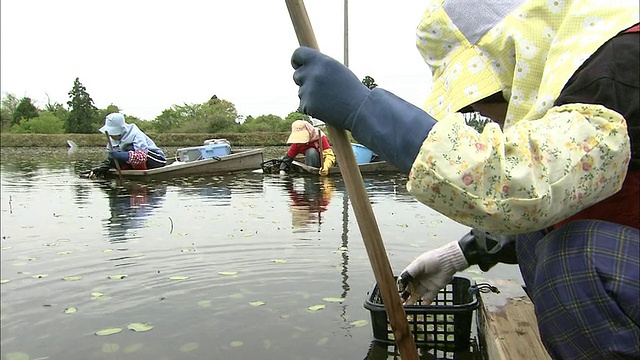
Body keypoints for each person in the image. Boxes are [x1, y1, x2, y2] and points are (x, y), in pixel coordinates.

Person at [289, 1, 639, 358]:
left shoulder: (618, 63)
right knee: (538, 238)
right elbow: (560, 200)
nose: (476, 114)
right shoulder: (589, 71)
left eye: (472, 103)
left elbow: (525, 183)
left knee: (573, 263)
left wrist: (364, 111)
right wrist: (460, 254)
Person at [83, 113, 167, 178]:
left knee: (129, 148)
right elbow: (111, 157)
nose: (111, 135)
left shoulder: (135, 134)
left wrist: (124, 155)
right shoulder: (112, 140)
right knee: (113, 158)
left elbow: (142, 157)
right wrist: (100, 168)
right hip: (133, 163)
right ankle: (129, 177)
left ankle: (140, 179)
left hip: (156, 160)